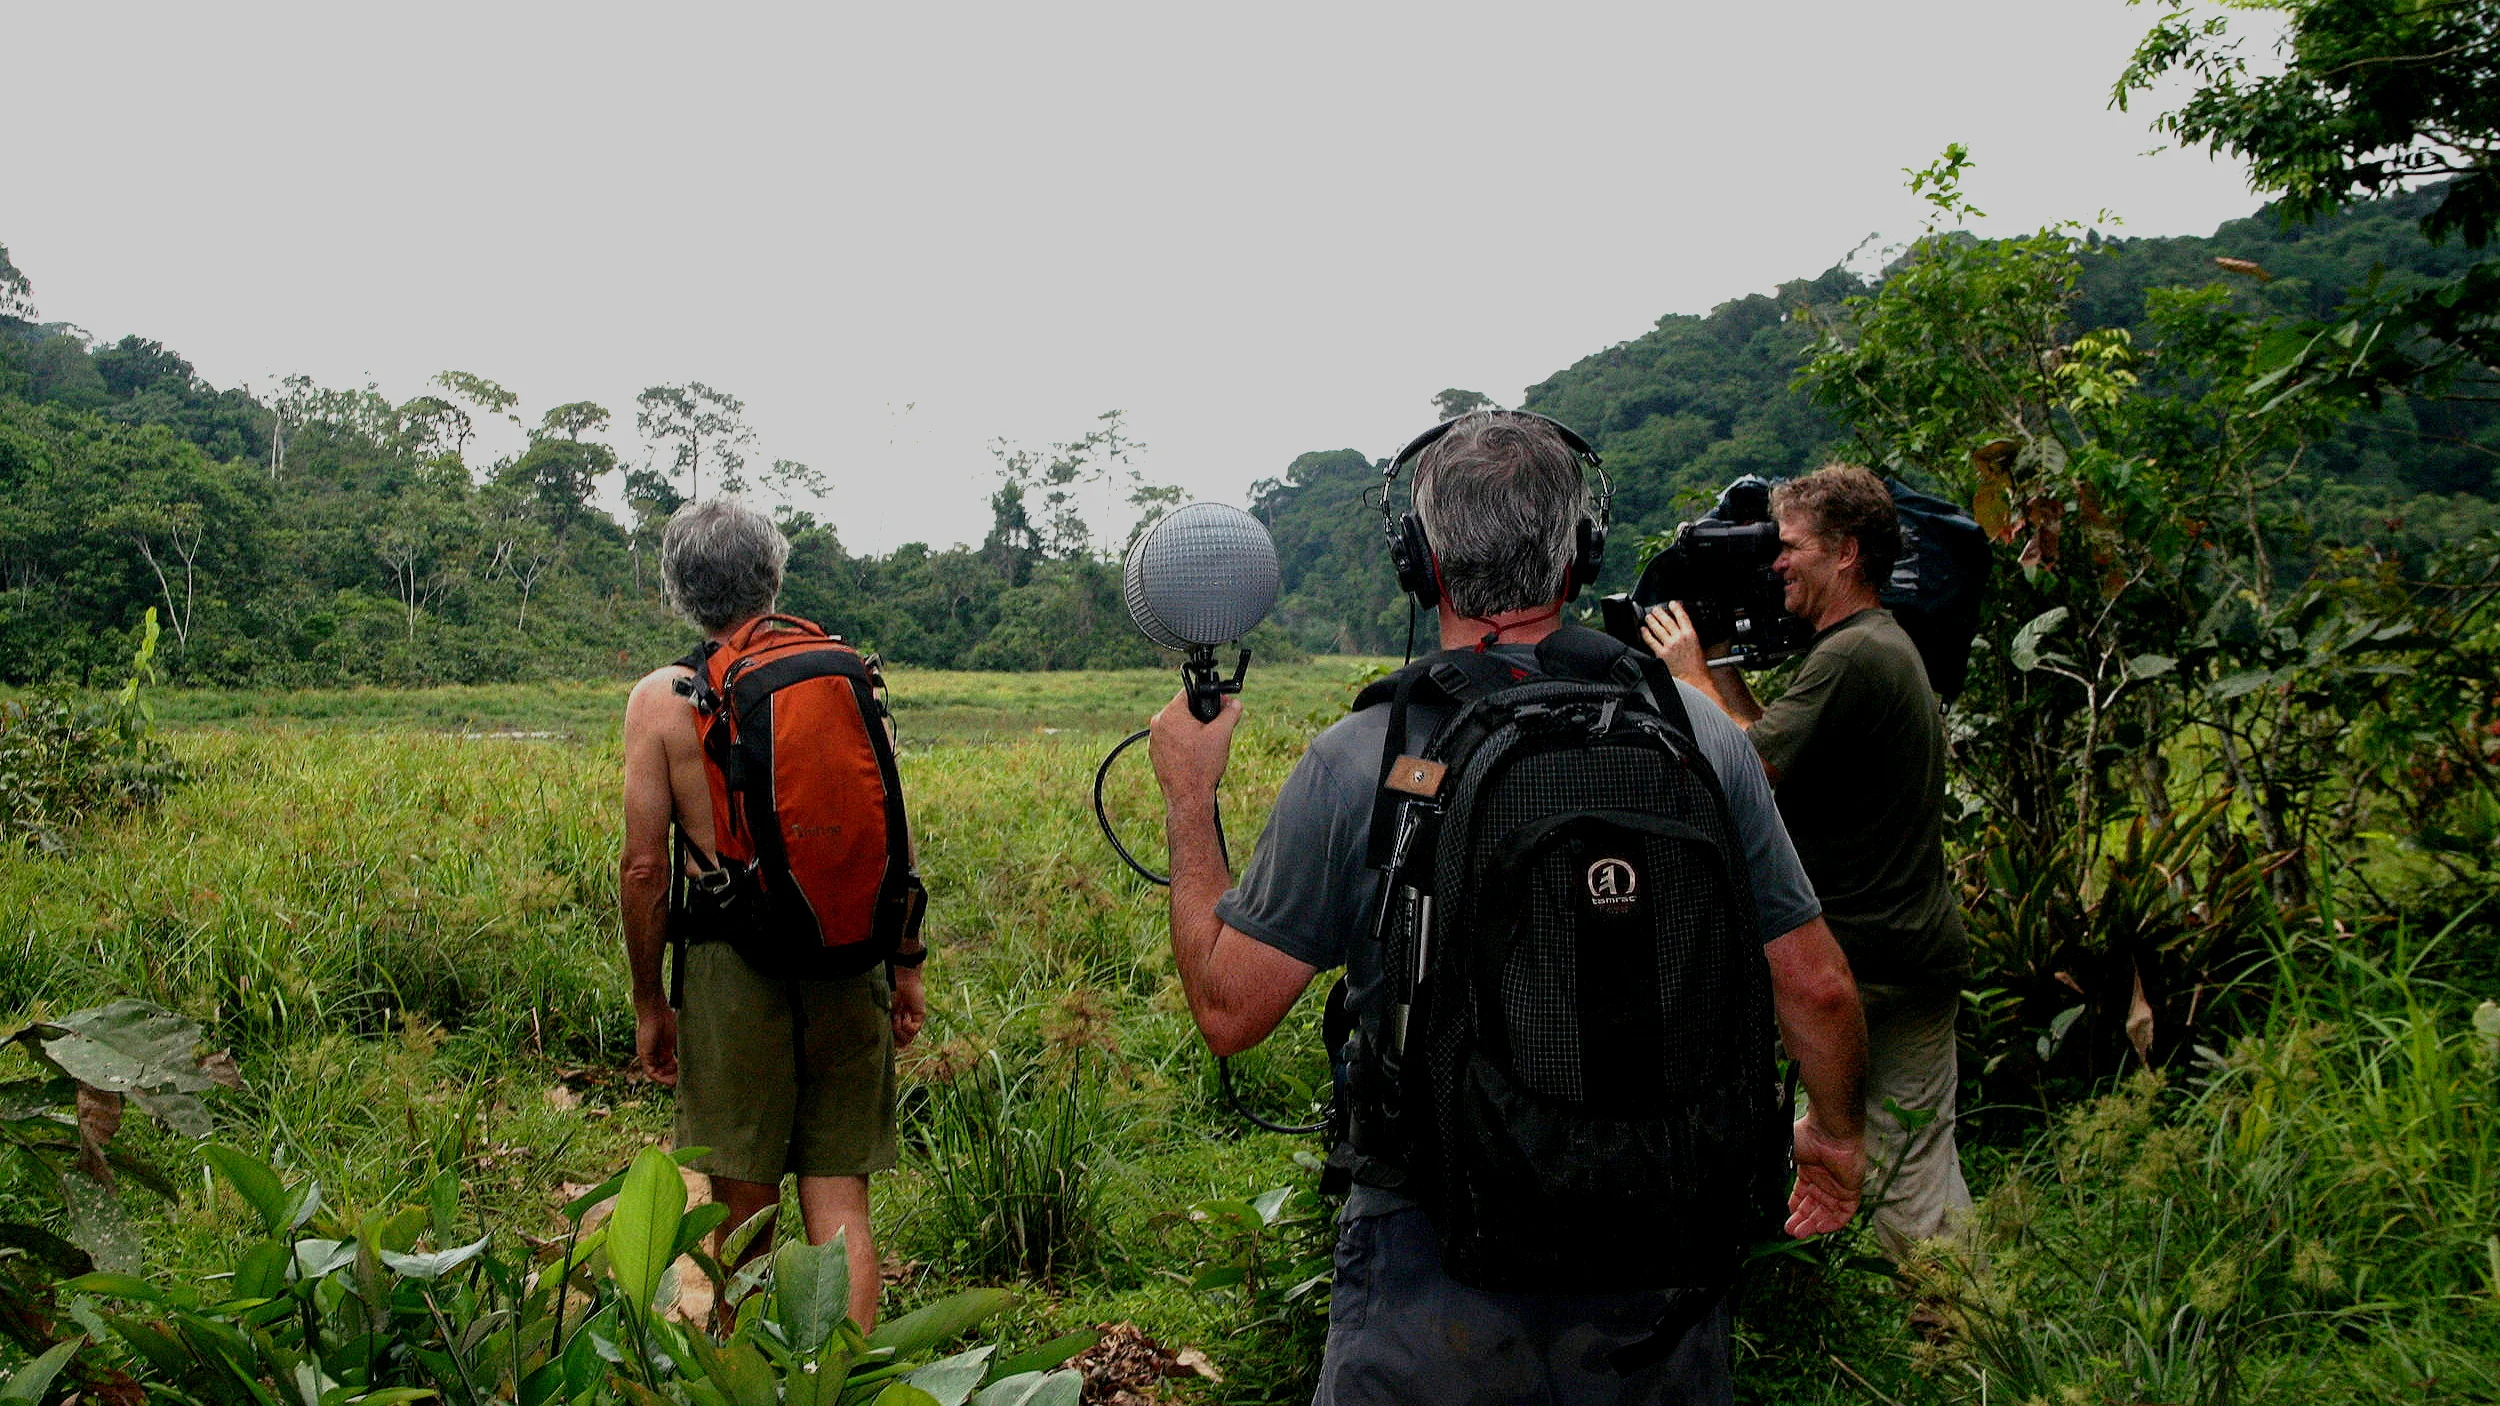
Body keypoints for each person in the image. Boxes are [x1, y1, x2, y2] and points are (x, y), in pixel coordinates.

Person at [1148, 411, 1869, 1405]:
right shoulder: (1697, 730)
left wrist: (1190, 799)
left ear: (1421, 559)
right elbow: (1818, 987)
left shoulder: (1360, 756)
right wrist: (1832, 1140)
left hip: (1429, 1263)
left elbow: (1231, 1012)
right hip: (1659, 1248)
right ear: (1580, 553)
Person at [1642, 462, 1971, 1256]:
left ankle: (1946, 1329)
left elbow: (1746, 769)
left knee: (1904, 1164)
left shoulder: (1852, 656)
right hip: (1910, 950)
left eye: (1790, 546)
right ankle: (1946, 1319)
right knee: (1912, 1150)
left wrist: (1687, 675)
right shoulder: (1871, 647)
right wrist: (1717, 662)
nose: (1776, 562)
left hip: (1866, 963)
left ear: (1846, 553)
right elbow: (1774, 745)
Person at [619, 497, 927, 1331]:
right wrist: (905, 966)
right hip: (845, 950)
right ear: (773, 577)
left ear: (678, 591)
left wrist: (651, 1001)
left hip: (730, 968)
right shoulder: (844, 679)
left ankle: (749, 1375)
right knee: (842, 1206)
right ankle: (844, 1384)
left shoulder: (662, 700)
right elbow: (890, 835)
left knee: (743, 1210)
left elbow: (646, 867)